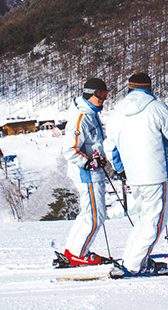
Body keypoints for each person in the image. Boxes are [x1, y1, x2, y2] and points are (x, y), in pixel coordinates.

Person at [104, 72, 168, 277]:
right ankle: (134, 265)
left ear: (129, 89)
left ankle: (132, 260)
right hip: (155, 172)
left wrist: (121, 169)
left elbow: (111, 146)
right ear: (149, 88)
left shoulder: (117, 112)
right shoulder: (156, 107)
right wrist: (161, 140)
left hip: (133, 174)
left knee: (144, 220)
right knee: (155, 221)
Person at [53, 78, 113, 268]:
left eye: (106, 95)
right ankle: (79, 254)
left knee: (89, 213)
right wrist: (89, 163)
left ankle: (73, 250)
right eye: (100, 95)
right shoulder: (81, 117)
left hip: (92, 172)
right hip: (87, 174)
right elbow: (70, 149)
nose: (103, 99)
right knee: (97, 215)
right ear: (89, 94)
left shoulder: (91, 113)